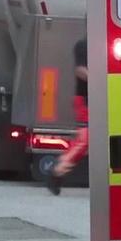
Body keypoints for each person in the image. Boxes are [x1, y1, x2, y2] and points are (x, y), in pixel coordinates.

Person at [46, 36, 88, 195]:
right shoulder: (83, 45)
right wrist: (101, 81)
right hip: (85, 101)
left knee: (85, 142)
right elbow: (80, 70)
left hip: (96, 99)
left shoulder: (104, 44)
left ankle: (59, 170)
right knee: (85, 140)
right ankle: (57, 170)